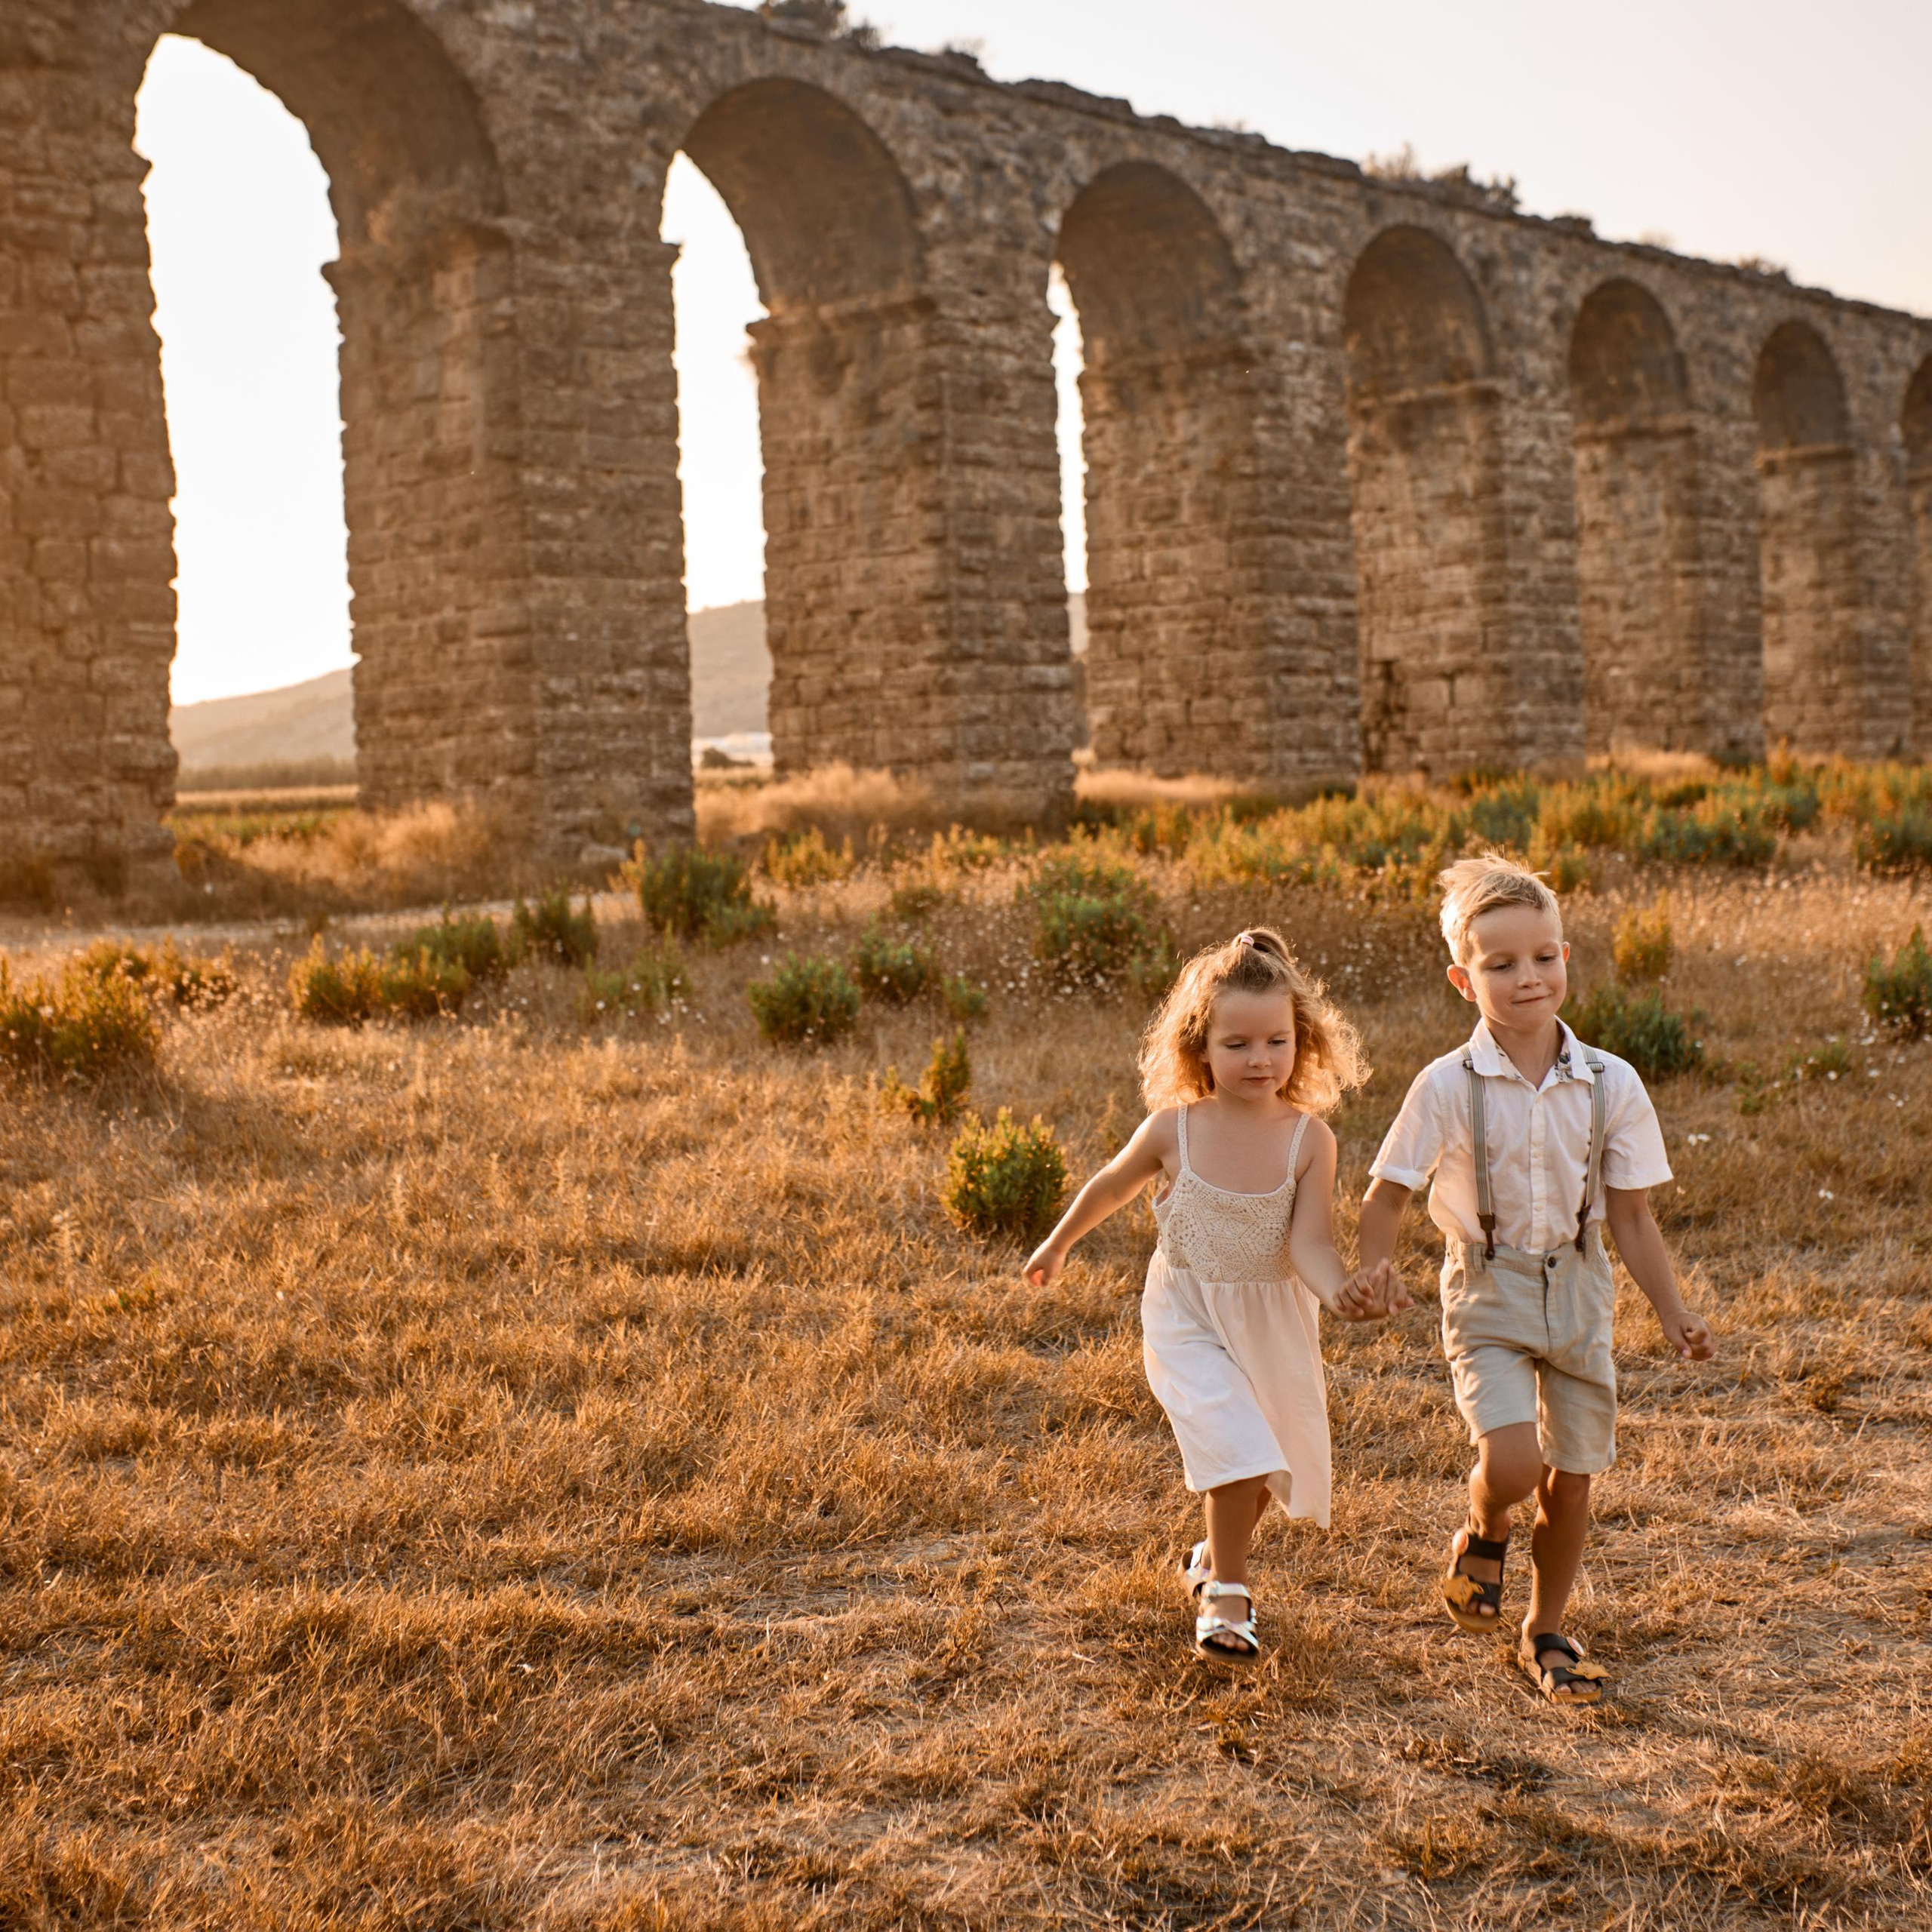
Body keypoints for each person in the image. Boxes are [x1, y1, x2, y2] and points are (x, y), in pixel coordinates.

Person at [1356, 854, 1714, 1704]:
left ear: (1565, 956)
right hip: (1488, 1289)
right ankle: (1484, 1527)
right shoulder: (1444, 1086)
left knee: (1575, 1474)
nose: (1528, 978)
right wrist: (1372, 1264)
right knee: (1514, 1465)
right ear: (1461, 977)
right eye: (1501, 963)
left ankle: (1543, 1628)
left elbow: (1629, 1216)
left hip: (1582, 1290)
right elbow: (1387, 1192)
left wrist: (1672, 1309)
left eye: (1544, 956)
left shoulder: (1609, 1082)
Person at [1023, 928, 1399, 1665]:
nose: (1259, 1059)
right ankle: (1228, 1595)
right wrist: (1060, 1240)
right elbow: (1112, 1182)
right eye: (1237, 1044)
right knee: (1234, 1450)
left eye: (1276, 1041)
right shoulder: (1175, 1129)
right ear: (1200, 1048)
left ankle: (1208, 1555)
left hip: (1273, 1319)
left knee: (1260, 1463)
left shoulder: (1308, 1140)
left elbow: (1311, 1244)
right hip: (1187, 1314)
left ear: (1302, 1042)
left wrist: (1343, 1290)